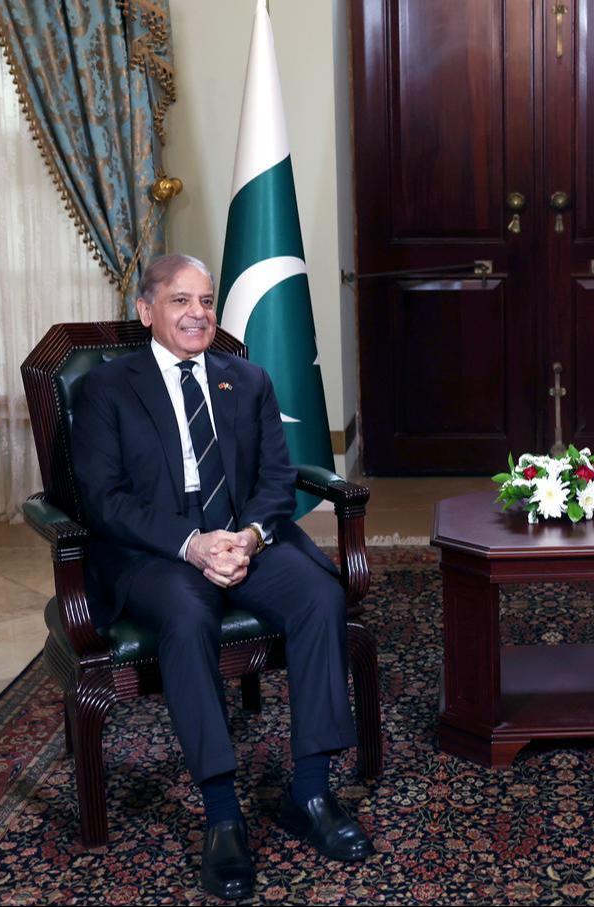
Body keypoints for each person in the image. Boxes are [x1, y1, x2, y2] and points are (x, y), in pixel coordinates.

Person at [72, 254, 373, 899]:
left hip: (243, 540)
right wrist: (191, 544)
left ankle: (312, 796)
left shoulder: (249, 379)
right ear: (147, 311)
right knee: (186, 617)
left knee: (321, 595)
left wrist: (249, 536)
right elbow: (105, 500)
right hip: (155, 551)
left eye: (206, 301)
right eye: (180, 301)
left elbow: (274, 479)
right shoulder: (108, 389)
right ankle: (222, 817)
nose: (198, 314)